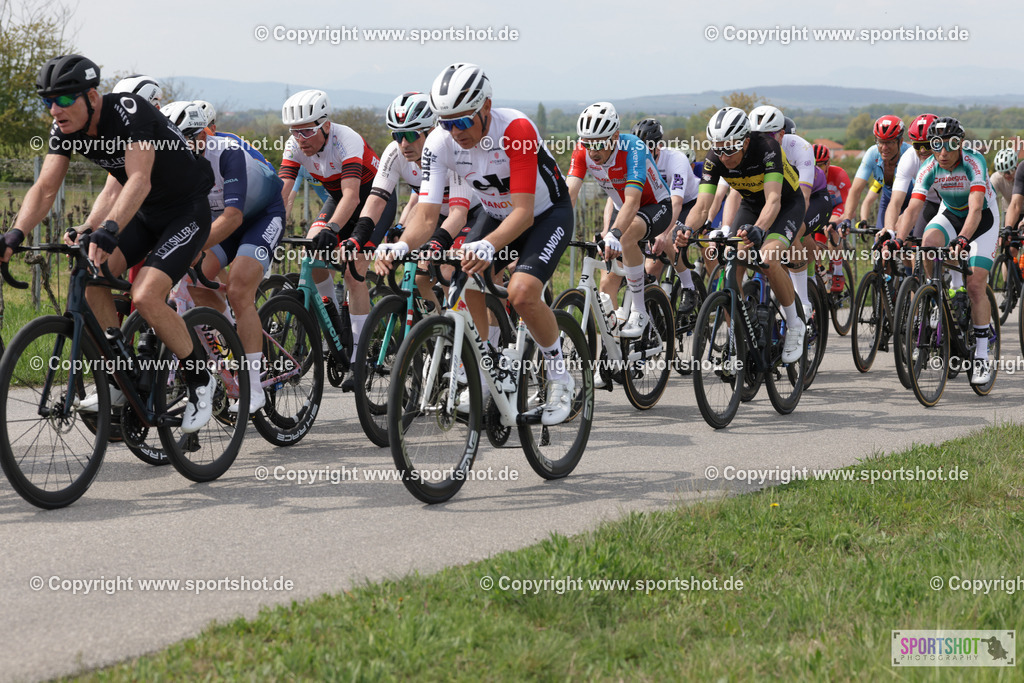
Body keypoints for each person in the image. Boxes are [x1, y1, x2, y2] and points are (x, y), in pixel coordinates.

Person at [1, 54, 218, 431]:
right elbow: (46, 187)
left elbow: (139, 180)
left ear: (92, 97)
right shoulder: (65, 128)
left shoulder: (130, 113)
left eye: (64, 99)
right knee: (90, 281)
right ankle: (122, 370)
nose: (55, 110)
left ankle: (201, 379)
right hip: (144, 214)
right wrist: (15, 234)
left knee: (145, 295)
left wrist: (109, 227)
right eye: (48, 101)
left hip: (186, 211)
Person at [374, 62, 576, 425]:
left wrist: (489, 245)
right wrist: (401, 247)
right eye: (447, 123)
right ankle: (485, 369)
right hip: (495, 213)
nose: (456, 132)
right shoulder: (439, 143)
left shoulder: (515, 130)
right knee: (460, 276)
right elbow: (426, 216)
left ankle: (561, 377)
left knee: (522, 293)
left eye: (464, 121)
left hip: (545, 214)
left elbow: (524, 213)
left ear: (486, 107)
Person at [163, 101, 286, 413]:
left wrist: (191, 246)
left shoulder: (227, 152)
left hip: (260, 216)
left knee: (239, 288)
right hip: (220, 220)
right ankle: (231, 342)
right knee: (195, 282)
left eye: (187, 142)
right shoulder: (171, 161)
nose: (180, 151)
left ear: (204, 135)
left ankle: (253, 387)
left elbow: (233, 217)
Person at [674, 106, 806, 363]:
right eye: (718, 148)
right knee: (730, 263)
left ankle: (795, 324)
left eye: (730, 149)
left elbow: (774, 200)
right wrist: (687, 229)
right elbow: (702, 207)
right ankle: (740, 338)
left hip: (785, 205)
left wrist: (760, 229)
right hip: (752, 205)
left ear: (745, 142)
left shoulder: (767, 148)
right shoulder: (715, 158)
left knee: (768, 259)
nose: (723, 156)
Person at [277, 89, 386, 367]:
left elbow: (353, 196)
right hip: (338, 200)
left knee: (353, 273)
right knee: (312, 253)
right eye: (294, 131)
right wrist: (273, 224)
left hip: (373, 202)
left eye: (307, 131)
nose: (300, 139)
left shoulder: (346, 139)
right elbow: (283, 192)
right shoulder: (294, 145)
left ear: (325, 125)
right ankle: (334, 321)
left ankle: (359, 353)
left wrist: (333, 227)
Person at [887, 117, 999, 384]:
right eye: (937, 145)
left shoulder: (974, 162)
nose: (944, 152)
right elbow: (912, 209)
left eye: (951, 144)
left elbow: (975, 209)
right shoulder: (929, 167)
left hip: (983, 220)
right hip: (950, 214)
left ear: (961, 143)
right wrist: (898, 239)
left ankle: (981, 356)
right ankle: (935, 294)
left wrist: (962, 239)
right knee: (927, 245)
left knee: (975, 285)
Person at [566, 102, 672, 337]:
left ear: (615, 136)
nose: (593, 152)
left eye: (599, 144)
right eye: (587, 143)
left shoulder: (633, 147)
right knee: (606, 282)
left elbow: (633, 201)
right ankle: (614, 343)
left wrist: (615, 233)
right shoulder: (582, 150)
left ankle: (640, 311)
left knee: (625, 235)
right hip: (623, 208)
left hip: (655, 206)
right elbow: (569, 195)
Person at [630, 117, 702, 314]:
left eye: (647, 148)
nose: (642, 154)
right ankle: (656, 311)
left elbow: (676, 202)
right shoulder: (634, 159)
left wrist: (662, 234)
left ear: (658, 146)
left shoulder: (676, 159)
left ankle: (689, 287)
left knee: (669, 238)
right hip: (661, 204)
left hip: (687, 203)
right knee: (651, 267)